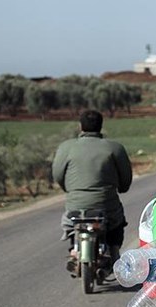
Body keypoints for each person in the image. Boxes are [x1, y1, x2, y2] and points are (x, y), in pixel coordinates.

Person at [52, 110, 133, 277]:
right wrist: (122, 188)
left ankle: (75, 251)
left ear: (80, 126)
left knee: (72, 223)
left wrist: (71, 189)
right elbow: (125, 178)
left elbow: (57, 175)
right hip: (106, 204)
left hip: (76, 204)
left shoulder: (66, 147)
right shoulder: (115, 148)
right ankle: (114, 253)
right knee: (116, 223)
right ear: (101, 125)